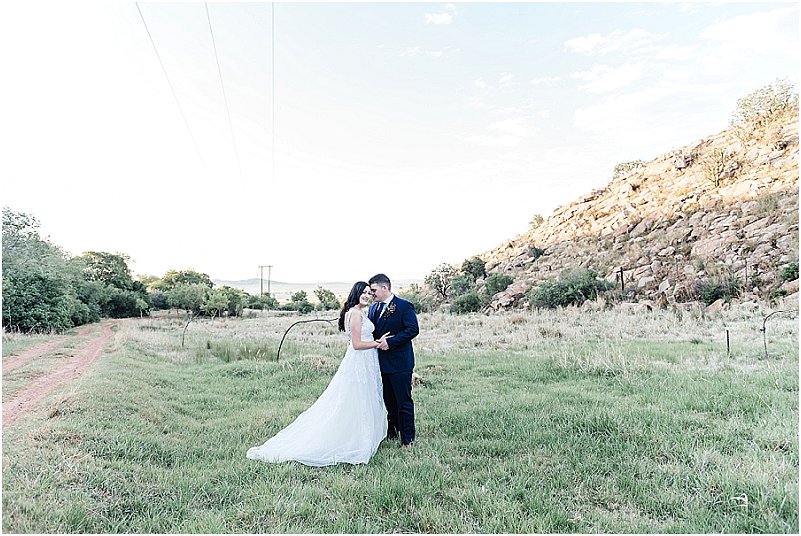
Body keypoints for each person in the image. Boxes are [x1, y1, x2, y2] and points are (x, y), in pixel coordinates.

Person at [246, 281, 391, 466]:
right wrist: (377, 343)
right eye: (362, 292)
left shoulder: (359, 312)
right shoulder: (355, 313)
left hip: (365, 361)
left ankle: (363, 433)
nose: (366, 295)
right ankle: (354, 438)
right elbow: (356, 344)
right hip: (360, 360)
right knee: (357, 397)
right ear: (355, 293)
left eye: (368, 292)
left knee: (363, 396)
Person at [368, 273, 419, 447]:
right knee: (388, 400)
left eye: (374, 290)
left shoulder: (404, 306)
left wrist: (390, 342)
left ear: (385, 287)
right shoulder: (373, 309)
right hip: (379, 362)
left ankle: (408, 438)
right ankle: (392, 431)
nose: (372, 294)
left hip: (400, 362)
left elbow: (413, 329)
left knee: (403, 401)